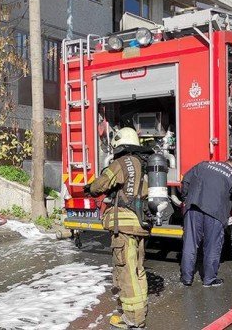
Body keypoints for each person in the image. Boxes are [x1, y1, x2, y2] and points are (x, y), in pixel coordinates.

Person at [83, 127, 149, 329]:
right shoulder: (142, 164)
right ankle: (139, 311)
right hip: (139, 224)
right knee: (138, 270)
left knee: (125, 272)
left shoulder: (122, 163)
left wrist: (90, 188)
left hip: (125, 225)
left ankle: (133, 319)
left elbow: (100, 185)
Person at [180, 158, 232, 287]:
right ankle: (209, 280)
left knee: (190, 244)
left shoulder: (202, 164)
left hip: (193, 207)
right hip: (215, 212)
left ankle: (186, 279)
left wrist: (185, 198)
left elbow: (186, 181)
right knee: (212, 246)